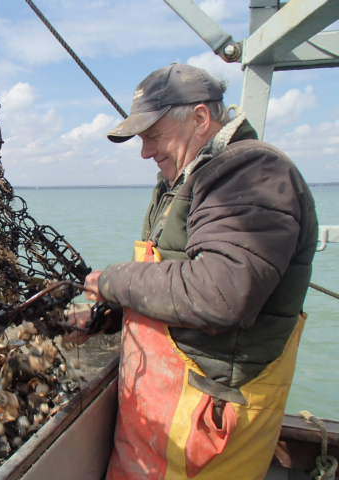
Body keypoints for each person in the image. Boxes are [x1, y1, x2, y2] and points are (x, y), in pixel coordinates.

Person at [83, 64, 318, 480]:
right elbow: (174, 281)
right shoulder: (184, 179)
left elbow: (222, 293)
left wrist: (113, 282)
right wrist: (111, 315)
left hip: (207, 417)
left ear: (200, 118)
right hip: (163, 410)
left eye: (152, 135)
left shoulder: (253, 174)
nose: (144, 152)